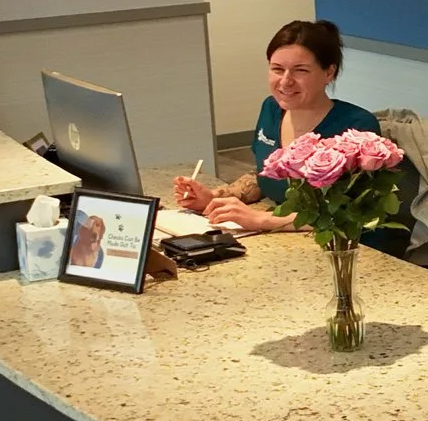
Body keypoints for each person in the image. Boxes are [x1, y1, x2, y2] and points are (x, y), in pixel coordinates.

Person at [170, 19, 408, 251]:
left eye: (300, 70)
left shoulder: (356, 126)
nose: (285, 81)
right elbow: (264, 176)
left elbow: (347, 215)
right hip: (291, 244)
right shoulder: (271, 109)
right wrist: (214, 198)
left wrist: (260, 220)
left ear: (329, 73)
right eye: (277, 69)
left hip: (349, 250)